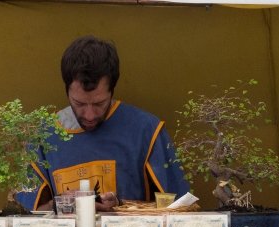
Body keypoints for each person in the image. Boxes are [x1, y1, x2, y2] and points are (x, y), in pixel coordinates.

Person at [17, 35, 190, 212]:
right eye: (80, 104)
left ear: (112, 90)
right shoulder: (42, 138)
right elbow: (24, 216)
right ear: (67, 91)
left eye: (99, 103)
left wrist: (121, 204)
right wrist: (61, 203)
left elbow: (181, 208)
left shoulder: (147, 131)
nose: (90, 115)